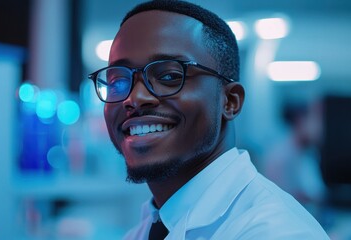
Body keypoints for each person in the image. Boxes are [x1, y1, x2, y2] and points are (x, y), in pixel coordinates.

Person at [88, 0, 329, 239]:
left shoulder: (275, 232)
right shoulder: (146, 230)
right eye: (117, 81)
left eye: (170, 76)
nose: (135, 97)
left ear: (230, 101)